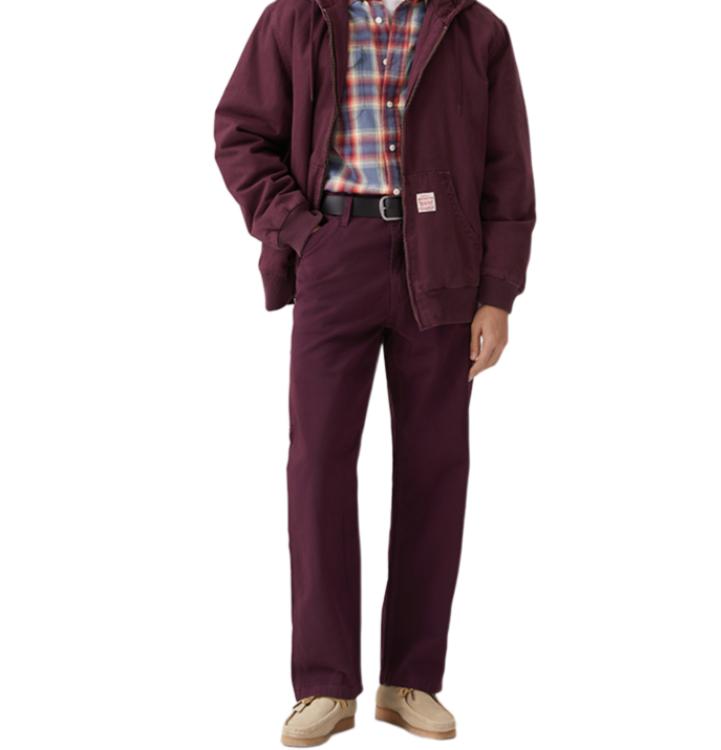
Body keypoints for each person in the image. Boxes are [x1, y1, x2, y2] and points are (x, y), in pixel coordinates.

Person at [214, 0, 535, 742]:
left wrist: (497, 296)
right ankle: (325, 686)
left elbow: (508, 171)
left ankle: (409, 681)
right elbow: (240, 133)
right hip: (334, 253)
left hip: (443, 264)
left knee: (434, 469)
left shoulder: (476, 30)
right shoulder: (297, 16)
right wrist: (300, 230)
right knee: (318, 467)